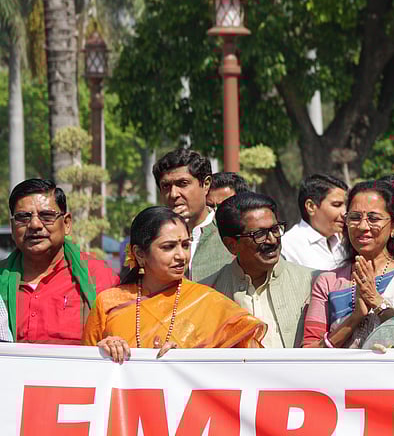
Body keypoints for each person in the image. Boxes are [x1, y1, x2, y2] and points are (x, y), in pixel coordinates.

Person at [84, 207, 266, 362]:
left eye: (185, 245)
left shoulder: (207, 301)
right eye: (168, 247)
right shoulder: (109, 303)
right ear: (139, 253)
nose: (181, 256)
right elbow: (84, 372)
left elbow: (247, 365)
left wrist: (188, 361)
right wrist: (103, 352)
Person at [0, 179, 119, 344]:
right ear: (13, 227)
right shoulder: (2, 277)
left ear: (67, 223)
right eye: (23, 217)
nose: (34, 225)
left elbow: (126, 337)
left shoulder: (98, 277)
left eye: (47, 216)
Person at [303, 180, 394, 348]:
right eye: (355, 217)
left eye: (373, 218)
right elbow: (308, 350)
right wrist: (355, 317)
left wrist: (375, 300)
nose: (363, 226)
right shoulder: (328, 283)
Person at [203, 192, 320, 348]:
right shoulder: (207, 294)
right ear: (231, 244)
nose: (272, 240)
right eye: (259, 234)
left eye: (275, 229)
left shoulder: (313, 283)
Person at [153, 148, 232, 282]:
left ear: (206, 184)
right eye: (166, 186)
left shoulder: (230, 232)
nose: (173, 194)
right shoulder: (152, 238)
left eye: (183, 184)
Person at [281, 173, 349, 271]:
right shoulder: (287, 247)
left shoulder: (345, 241)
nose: (345, 213)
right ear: (311, 207)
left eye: (347, 205)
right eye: (337, 205)